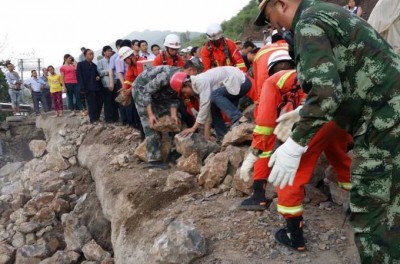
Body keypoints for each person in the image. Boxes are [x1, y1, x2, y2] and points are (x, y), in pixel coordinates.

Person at [255, 0, 400, 261]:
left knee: (372, 216)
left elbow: (324, 93)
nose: (271, 24)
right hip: (382, 112)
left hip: (382, 119)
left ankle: (295, 233)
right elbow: (346, 76)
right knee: (389, 203)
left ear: (280, 4)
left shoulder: (307, 23)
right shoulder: (325, 13)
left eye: (269, 16)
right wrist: (304, 112)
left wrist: (294, 143)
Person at [170, 66, 251, 140]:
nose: (186, 94)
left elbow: (204, 105)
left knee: (214, 95)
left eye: (184, 92)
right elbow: (207, 110)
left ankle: (239, 118)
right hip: (234, 85)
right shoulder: (196, 85)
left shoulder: (200, 81)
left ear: (186, 85)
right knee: (212, 105)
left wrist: (193, 128)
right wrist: (207, 135)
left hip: (243, 83)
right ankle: (222, 136)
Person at [132, 66, 183, 170]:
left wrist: (173, 115)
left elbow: (173, 97)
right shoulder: (165, 77)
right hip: (141, 91)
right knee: (151, 125)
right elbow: (147, 92)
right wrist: (150, 115)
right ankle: (153, 160)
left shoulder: (183, 79)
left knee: (177, 118)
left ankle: (173, 151)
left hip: (157, 94)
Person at [76, 49, 103, 124]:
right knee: (91, 104)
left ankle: (97, 118)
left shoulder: (94, 65)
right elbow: (79, 76)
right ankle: (93, 119)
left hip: (96, 87)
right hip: (87, 87)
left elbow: (98, 75)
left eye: (92, 54)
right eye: (89, 54)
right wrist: (82, 87)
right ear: (85, 55)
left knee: (99, 102)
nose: (92, 55)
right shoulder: (81, 64)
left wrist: (98, 77)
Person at [98, 45, 119, 123]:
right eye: (108, 51)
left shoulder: (114, 60)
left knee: (115, 102)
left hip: (115, 82)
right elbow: (100, 73)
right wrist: (109, 71)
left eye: (111, 51)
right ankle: (108, 118)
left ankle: (115, 117)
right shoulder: (100, 62)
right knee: (107, 102)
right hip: (106, 84)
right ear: (104, 52)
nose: (110, 52)